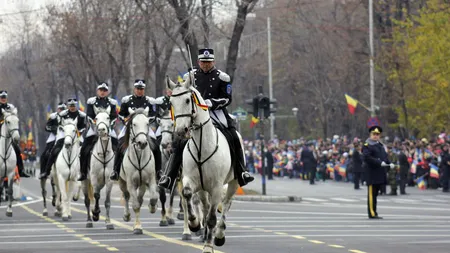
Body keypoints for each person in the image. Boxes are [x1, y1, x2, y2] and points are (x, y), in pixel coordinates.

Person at [158, 48, 254, 190]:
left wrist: (212, 103)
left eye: (208, 62)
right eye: (203, 62)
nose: (206, 64)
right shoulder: (190, 76)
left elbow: (227, 99)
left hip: (216, 112)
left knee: (233, 137)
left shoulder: (223, 77)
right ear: (198, 62)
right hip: (196, 112)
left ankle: (242, 171)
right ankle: (169, 176)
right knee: (179, 141)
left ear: (213, 61)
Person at [109, 79, 164, 181]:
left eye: (141, 89)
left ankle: (158, 171)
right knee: (120, 146)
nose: (139, 91)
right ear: (134, 89)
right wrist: (126, 121)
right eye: (138, 89)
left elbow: (153, 115)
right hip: (129, 127)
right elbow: (121, 114)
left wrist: (146, 121)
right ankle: (115, 171)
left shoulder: (149, 101)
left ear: (144, 89)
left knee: (156, 147)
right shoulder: (127, 100)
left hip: (144, 128)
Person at [78, 82, 118, 181]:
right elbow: (89, 116)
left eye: (104, 90)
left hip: (108, 128)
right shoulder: (91, 102)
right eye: (101, 90)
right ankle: (83, 172)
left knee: (118, 148)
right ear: (97, 91)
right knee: (84, 149)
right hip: (94, 128)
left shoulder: (112, 103)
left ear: (107, 92)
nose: (102, 92)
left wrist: (109, 127)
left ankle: (117, 171)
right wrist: (95, 126)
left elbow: (114, 117)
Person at [39, 98, 86, 179]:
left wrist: (79, 132)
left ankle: (84, 172)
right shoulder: (62, 114)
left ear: (76, 106)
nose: (72, 107)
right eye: (70, 106)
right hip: (64, 135)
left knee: (85, 151)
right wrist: (65, 131)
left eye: (74, 105)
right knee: (54, 151)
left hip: (77, 135)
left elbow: (83, 126)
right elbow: (59, 125)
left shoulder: (81, 115)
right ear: (68, 106)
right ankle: (47, 171)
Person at [362, 125, 394, 219]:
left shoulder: (379, 145)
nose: (375, 136)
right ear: (370, 134)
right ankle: (371, 213)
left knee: (375, 194)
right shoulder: (367, 145)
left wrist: (389, 163)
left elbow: (384, 157)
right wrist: (379, 162)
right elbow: (367, 157)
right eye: (374, 134)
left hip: (379, 173)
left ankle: (374, 212)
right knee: (371, 194)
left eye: (377, 134)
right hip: (372, 173)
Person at [0, 90, 29, 178]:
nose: (3, 99)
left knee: (16, 149)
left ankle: (21, 169)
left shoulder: (11, 107)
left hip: (8, 131)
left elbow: (14, 118)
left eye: (4, 97)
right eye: (2, 97)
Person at [39, 102, 67, 179]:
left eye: (63, 109)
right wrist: (55, 129)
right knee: (44, 155)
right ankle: (43, 172)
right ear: (58, 109)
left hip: (66, 136)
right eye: (60, 109)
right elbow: (47, 127)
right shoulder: (53, 116)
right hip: (54, 137)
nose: (62, 111)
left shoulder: (68, 116)